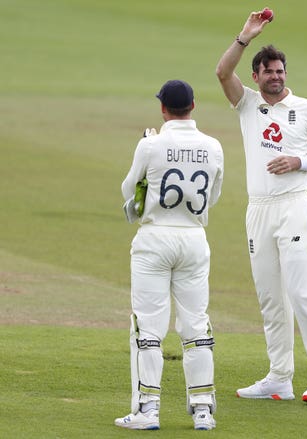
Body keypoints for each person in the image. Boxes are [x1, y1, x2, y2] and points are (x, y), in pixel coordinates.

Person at [215, 10, 307, 402]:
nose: (275, 76)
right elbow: (222, 73)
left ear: (286, 73)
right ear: (256, 76)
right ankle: (280, 376)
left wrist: (298, 161)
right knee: (270, 296)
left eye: (280, 70)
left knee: (305, 294)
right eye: (268, 71)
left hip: (293, 206)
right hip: (258, 210)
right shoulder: (248, 104)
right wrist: (244, 36)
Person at [115, 79, 224, 430]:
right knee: (196, 323)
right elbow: (214, 196)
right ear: (193, 106)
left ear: (163, 108)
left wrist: (146, 149)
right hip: (194, 237)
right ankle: (203, 409)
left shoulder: (151, 144)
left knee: (148, 325)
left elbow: (129, 191)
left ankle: (148, 409)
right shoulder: (214, 146)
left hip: (155, 238)